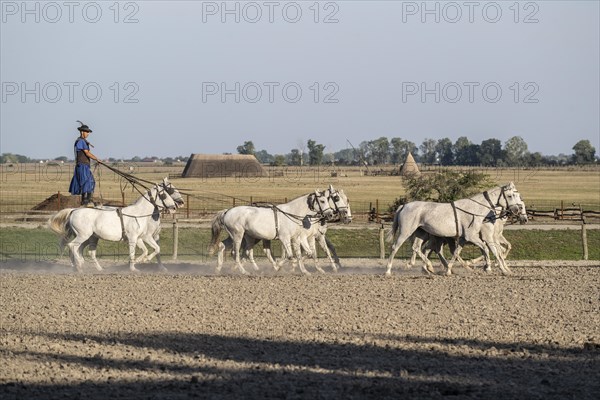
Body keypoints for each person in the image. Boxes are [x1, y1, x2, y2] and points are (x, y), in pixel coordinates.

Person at [69, 121, 101, 207]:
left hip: (85, 165)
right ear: (82, 132)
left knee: (91, 182)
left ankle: (88, 200)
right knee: (86, 183)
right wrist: (96, 158)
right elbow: (87, 153)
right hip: (82, 166)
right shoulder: (80, 142)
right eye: (87, 132)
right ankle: (85, 201)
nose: (88, 134)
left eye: (88, 132)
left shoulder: (83, 141)